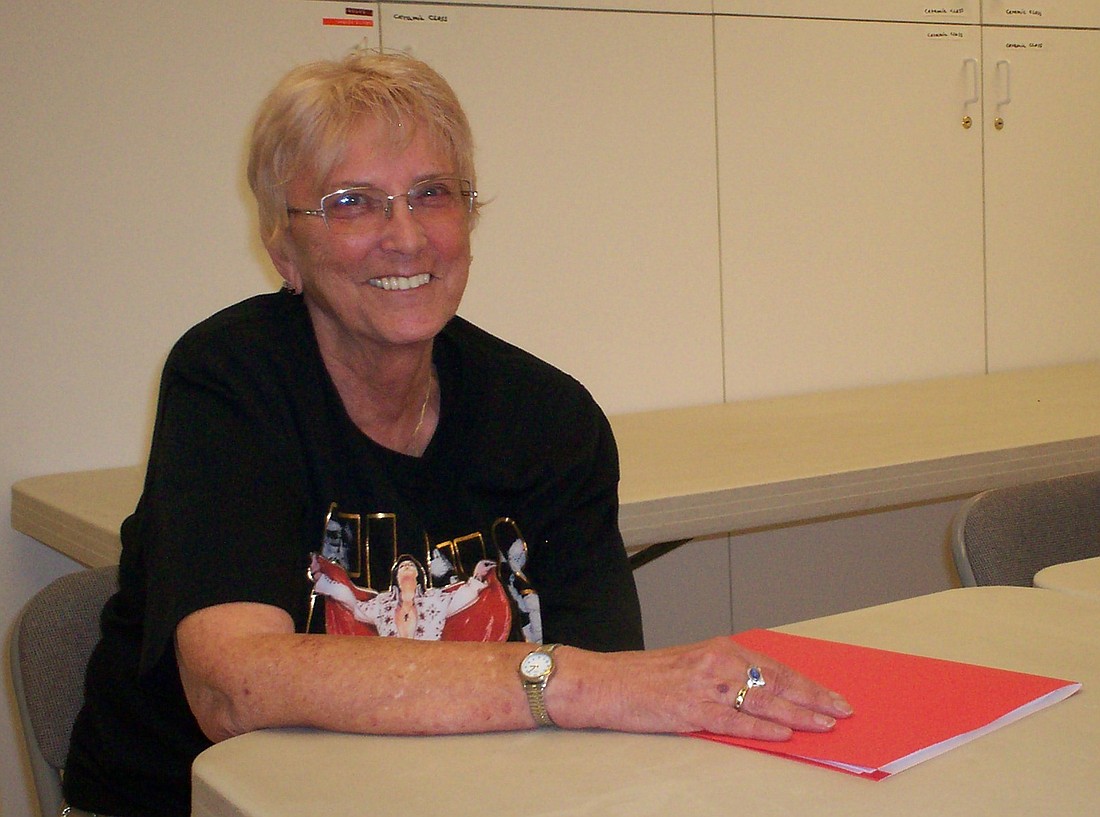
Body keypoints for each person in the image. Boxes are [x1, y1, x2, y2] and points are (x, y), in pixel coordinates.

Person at [62, 50, 852, 817]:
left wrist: (594, 688)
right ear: (284, 250)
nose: (405, 237)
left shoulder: (549, 419)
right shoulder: (230, 381)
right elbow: (233, 688)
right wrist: (561, 681)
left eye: (432, 193)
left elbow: (609, 707)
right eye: (351, 201)